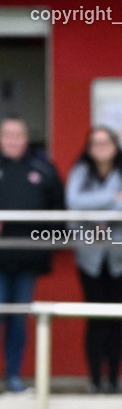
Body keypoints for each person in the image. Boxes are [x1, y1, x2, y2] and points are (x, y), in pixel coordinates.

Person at [66, 126, 122, 394]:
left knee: (116, 319)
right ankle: (95, 381)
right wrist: (112, 200)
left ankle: (114, 380)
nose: (100, 147)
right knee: (95, 319)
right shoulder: (80, 173)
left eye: (105, 142)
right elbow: (74, 202)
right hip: (90, 257)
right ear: (88, 148)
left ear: (115, 145)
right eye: (95, 143)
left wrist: (99, 213)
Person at [0, 116, 64, 393]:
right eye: (7, 134)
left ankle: (13, 377)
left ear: (26, 139)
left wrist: (44, 242)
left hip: (28, 260)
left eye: (18, 134)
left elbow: (59, 213)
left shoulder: (44, 169)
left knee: (19, 320)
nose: (13, 139)